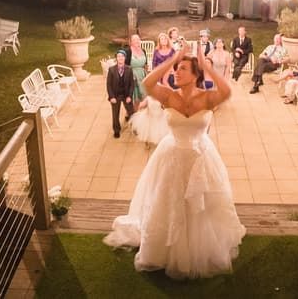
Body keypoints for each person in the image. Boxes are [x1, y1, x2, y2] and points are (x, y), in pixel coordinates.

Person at [104, 40, 245, 279]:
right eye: (176, 68)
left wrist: (206, 65)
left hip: (201, 158)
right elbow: (148, 83)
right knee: (168, 202)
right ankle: (164, 250)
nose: (176, 72)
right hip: (172, 157)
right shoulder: (169, 96)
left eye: (182, 69)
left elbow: (228, 91)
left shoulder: (208, 98)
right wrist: (172, 59)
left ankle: (198, 248)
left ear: (195, 75)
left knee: (201, 207)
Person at [131, 33, 173, 147]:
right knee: (140, 96)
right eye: (161, 39)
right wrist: (154, 76)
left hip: (169, 75)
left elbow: (174, 62)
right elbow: (154, 64)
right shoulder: (156, 50)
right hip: (157, 75)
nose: (163, 40)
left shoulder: (171, 50)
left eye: (165, 38)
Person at [107, 50, 135, 138]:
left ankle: (135, 128)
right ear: (116, 58)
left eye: (122, 56)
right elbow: (108, 85)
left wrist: (130, 96)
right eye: (119, 56)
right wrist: (111, 97)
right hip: (115, 95)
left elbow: (132, 84)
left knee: (131, 112)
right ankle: (116, 130)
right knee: (115, 113)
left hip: (126, 94)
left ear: (125, 58)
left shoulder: (129, 69)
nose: (120, 58)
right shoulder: (111, 70)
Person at [125, 34, 148, 110]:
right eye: (135, 39)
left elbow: (145, 64)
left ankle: (143, 114)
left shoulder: (143, 50)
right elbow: (125, 66)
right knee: (135, 97)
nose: (137, 41)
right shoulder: (128, 52)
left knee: (145, 96)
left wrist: (147, 74)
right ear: (131, 42)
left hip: (143, 75)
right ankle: (132, 113)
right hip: (132, 75)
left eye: (138, 39)